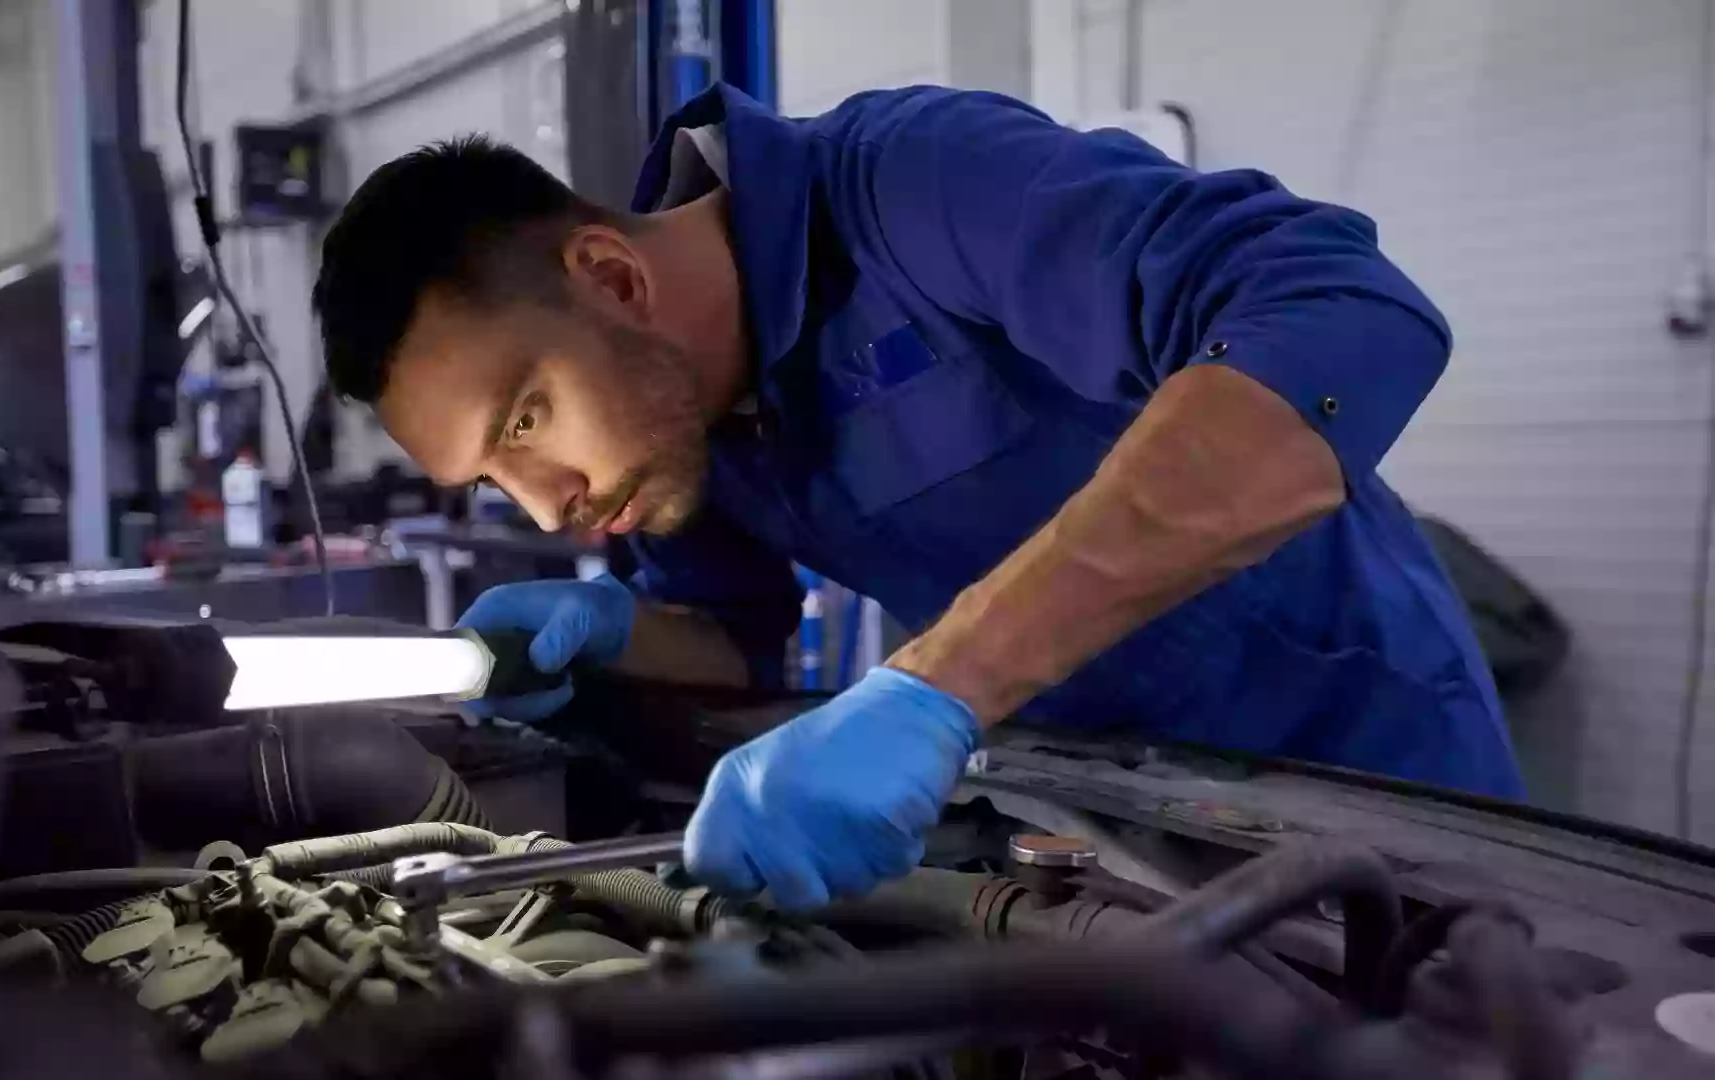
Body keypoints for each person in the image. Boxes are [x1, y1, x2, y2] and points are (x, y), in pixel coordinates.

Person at [311, 85, 1523, 910]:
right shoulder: (677, 428)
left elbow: (1345, 317)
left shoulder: (917, 186)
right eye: (491, 475)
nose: (544, 506)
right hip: (1088, 837)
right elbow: (736, 637)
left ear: (612, 275)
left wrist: (938, 687)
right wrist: (615, 630)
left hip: (1374, 792)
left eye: (525, 421)